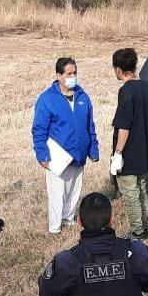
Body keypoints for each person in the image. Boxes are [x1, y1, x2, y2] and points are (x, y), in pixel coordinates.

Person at [32, 57, 99, 234]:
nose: (73, 76)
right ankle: (55, 227)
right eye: (69, 73)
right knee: (57, 192)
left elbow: (90, 125)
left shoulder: (83, 97)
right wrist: (42, 154)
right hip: (57, 156)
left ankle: (68, 218)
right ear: (59, 76)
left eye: (75, 73)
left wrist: (93, 149)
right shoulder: (47, 99)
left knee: (74, 189)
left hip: (79, 154)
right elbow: (39, 129)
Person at [110, 48, 148, 240]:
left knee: (130, 192)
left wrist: (118, 153)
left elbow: (124, 126)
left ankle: (138, 231)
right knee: (142, 190)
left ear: (119, 70)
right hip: (145, 148)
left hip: (129, 151)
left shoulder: (126, 91)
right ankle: (145, 226)